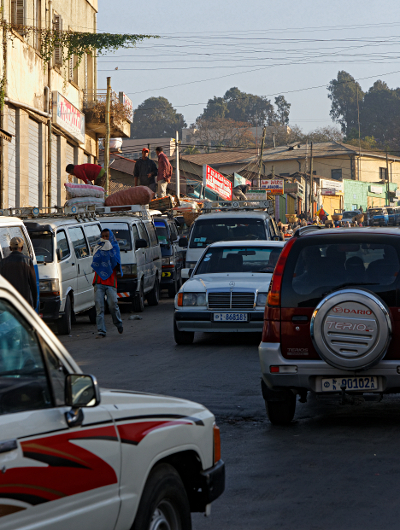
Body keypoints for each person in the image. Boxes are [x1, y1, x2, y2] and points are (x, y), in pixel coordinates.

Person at [91, 228, 123, 338]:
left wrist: (109, 251)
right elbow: (95, 262)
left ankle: (118, 323)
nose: (105, 238)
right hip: (98, 281)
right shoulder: (98, 247)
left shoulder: (115, 248)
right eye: (103, 236)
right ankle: (101, 331)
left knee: (113, 304)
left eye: (107, 236)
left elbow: (117, 263)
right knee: (99, 307)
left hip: (110, 282)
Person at [0, 237, 37, 308]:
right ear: (22, 247)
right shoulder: (28, 261)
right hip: (25, 303)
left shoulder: (3, 263)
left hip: (9, 304)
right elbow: (33, 285)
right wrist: (34, 304)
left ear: (10, 248)